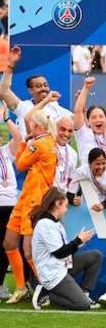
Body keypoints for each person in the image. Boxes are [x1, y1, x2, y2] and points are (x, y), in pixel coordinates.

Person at [3, 109, 58, 303]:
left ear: (36, 126)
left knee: (29, 251)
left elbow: (20, 164)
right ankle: (21, 287)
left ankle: (48, 289)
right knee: (9, 243)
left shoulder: (40, 144)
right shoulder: (48, 142)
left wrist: (25, 142)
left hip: (33, 203)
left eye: (30, 124)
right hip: (25, 200)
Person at [30, 187, 101, 310]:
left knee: (95, 256)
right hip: (53, 273)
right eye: (65, 206)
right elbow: (59, 253)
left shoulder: (55, 223)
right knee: (82, 305)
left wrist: (79, 243)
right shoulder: (45, 224)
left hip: (62, 266)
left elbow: (64, 251)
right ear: (57, 204)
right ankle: (48, 293)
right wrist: (78, 240)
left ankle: (84, 293)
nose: (66, 210)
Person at [0, 46, 73, 138]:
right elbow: (3, 91)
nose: (43, 88)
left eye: (45, 85)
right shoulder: (23, 107)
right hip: (28, 150)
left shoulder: (55, 107)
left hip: (49, 151)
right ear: (30, 90)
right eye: (38, 86)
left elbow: (76, 121)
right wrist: (10, 64)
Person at [0, 102, 22, 300]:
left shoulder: (5, 152)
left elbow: (19, 138)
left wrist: (7, 117)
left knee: (6, 245)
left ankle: (0, 285)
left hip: (8, 205)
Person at [73, 76, 106, 165]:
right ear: (87, 121)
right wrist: (86, 88)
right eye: (93, 117)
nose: (98, 119)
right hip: (90, 177)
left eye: (101, 116)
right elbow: (78, 111)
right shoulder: (84, 134)